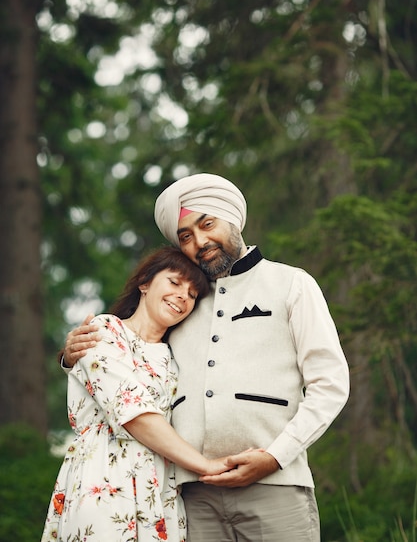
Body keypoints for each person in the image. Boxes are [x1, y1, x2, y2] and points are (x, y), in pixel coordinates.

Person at [62, 173, 350, 542]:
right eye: (185, 236)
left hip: (274, 487)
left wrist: (276, 456)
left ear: (232, 217)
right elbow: (130, 356)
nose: (199, 241)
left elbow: (330, 384)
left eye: (207, 224)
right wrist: (73, 355)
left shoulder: (292, 284)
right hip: (190, 499)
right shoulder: (183, 303)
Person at [43, 245, 238, 542]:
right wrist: (206, 466)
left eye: (192, 294)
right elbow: (135, 414)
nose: (182, 297)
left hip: (160, 490)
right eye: (174, 282)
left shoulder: (175, 358)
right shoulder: (104, 331)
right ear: (144, 283)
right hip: (105, 481)